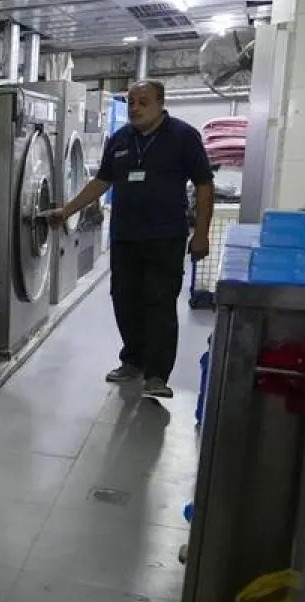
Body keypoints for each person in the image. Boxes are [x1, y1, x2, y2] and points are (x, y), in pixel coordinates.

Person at [48, 79, 213, 399]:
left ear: (160, 104)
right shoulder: (120, 139)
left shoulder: (183, 137)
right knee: (125, 301)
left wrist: (202, 234)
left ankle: (156, 375)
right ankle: (132, 361)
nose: (135, 108)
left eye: (143, 101)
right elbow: (102, 181)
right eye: (132, 102)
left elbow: (204, 185)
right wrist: (67, 210)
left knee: (160, 303)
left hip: (166, 237)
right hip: (125, 236)